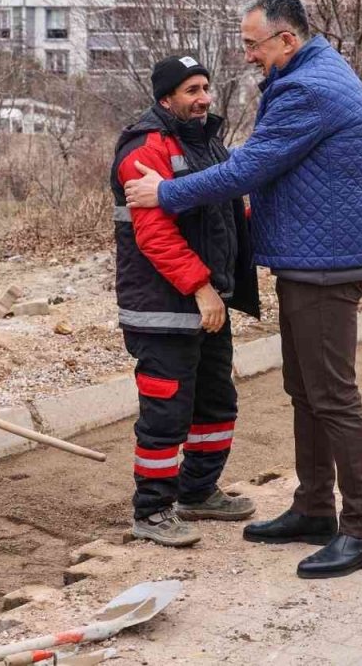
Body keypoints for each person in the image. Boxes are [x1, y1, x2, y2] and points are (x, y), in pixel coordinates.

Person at [124, 0, 362, 578]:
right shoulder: (316, 70)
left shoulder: (307, 89)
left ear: (285, 40)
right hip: (313, 256)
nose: (246, 56)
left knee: (333, 397)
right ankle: (315, 509)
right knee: (306, 390)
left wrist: (165, 192)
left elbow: (249, 168)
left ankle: (361, 529)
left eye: (251, 44)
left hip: (325, 265)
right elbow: (262, 159)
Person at [110, 54, 261, 547]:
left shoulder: (207, 144)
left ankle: (198, 492)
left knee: (217, 403)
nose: (203, 99)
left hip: (207, 301)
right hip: (164, 307)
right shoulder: (144, 150)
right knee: (166, 414)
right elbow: (155, 235)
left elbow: (228, 214)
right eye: (192, 90)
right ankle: (151, 512)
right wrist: (200, 288)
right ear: (165, 98)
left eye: (206, 88)